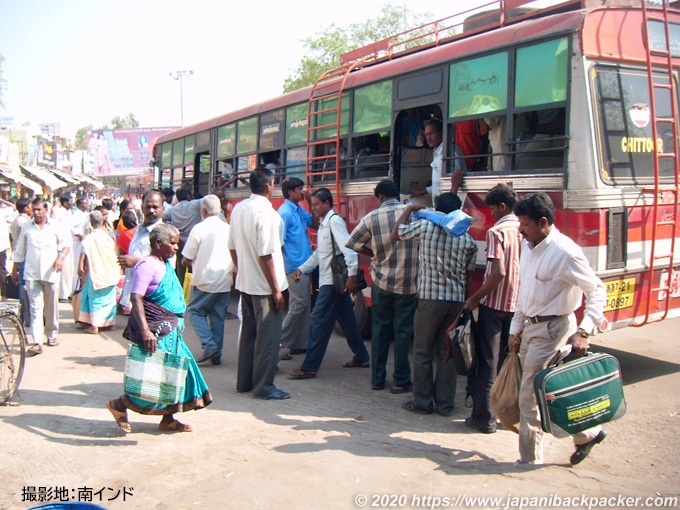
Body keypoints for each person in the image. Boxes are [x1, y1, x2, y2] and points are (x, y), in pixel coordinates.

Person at [509, 192, 607, 466]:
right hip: (530, 329)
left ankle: (529, 460)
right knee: (550, 392)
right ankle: (589, 433)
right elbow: (524, 293)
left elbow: (597, 290)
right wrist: (515, 330)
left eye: (525, 224)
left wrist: (585, 331)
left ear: (543, 222)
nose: (520, 230)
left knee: (529, 394)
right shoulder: (528, 248)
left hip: (553, 330)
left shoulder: (566, 252)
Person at [106, 223, 212, 434]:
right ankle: (120, 405)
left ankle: (168, 418)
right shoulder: (147, 265)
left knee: (172, 373)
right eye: (172, 243)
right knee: (153, 376)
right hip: (157, 330)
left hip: (170, 330)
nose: (176, 248)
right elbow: (136, 297)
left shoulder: (164, 263)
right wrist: (145, 331)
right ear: (158, 244)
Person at [391, 193, 478, 416]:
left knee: (422, 351)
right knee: (447, 353)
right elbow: (468, 276)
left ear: (437, 210)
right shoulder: (467, 239)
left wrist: (409, 210)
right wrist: (466, 304)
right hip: (456, 301)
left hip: (430, 299)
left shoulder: (426, 227)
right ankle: (445, 404)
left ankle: (422, 401)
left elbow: (396, 234)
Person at [289, 188, 371, 380]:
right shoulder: (325, 223)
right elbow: (320, 254)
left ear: (327, 204)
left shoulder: (334, 222)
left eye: (318, 204)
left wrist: (352, 275)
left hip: (333, 281)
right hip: (330, 280)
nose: (315, 208)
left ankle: (309, 366)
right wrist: (302, 268)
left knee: (317, 321)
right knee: (348, 321)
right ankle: (361, 356)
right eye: (313, 204)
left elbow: (349, 249)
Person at [346, 179, 418, 393]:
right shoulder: (413, 213)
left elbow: (352, 243)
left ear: (379, 197)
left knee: (380, 330)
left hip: (382, 282)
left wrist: (373, 254)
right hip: (409, 283)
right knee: (403, 331)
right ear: (397, 194)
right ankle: (401, 380)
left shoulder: (372, 217)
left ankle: (377, 379)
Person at [462, 184, 521, 433]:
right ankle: (508, 414)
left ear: (503, 206)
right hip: (518, 306)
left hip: (494, 305)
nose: (492, 213)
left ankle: (484, 418)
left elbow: (498, 273)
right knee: (510, 362)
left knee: (488, 362)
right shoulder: (524, 229)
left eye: (494, 208)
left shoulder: (497, 232)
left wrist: (476, 298)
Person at [228, 168, 291, 400]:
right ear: (269, 186)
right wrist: (276, 290)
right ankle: (264, 387)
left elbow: (232, 247)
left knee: (249, 335)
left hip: (246, 283)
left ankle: (244, 382)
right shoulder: (268, 214)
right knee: (268, 339)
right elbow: (267, 255)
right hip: (265, 286)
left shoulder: (239, 209)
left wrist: (242, 271)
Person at [11, 197, 70, 356]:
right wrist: (15, 269)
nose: (36, 213)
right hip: (31, 273)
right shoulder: (27, 227)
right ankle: (37, 341)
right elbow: (19, 250)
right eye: (34, 209)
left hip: (51, 273)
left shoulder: (55, 226)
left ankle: (51, 335)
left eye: (39, 209)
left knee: (51, 307)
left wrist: (60, 257)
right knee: (35, 308)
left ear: (47, 210)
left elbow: (66, 244)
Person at [182, 195, 233, 366]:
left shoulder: (199, 229)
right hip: (224, 280)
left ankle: (209, 344)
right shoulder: (228, 228)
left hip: (204, 280)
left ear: (203, 211)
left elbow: (187, 257)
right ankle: (216, 355)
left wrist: (186, 262)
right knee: (218, 318)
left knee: (194, 311)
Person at [277, 177, 317, 359]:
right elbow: (279, 243)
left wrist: (311, 203)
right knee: (299, 304)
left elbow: (315, 223)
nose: (303, 191)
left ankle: (298, 343)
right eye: (300, 189)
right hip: (294, 266)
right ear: (291, 192)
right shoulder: (285, 213)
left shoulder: (298, 210)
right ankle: (279, 341)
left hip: (304, 264)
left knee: (303, 304)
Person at [118, 191, 166, 315]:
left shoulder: (165, 234)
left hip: (152, 299)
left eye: (155, 207)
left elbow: (167, 268)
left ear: (163, 209)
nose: (151, 211)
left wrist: (136, 261)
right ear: (142, 208)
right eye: (148, 207)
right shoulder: (138, 231)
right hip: (135, 296)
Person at [77, 211, 120, 334]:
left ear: (91, 222)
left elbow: (86, 255)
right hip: (111, 270)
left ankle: (94, 325)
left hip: (97, 270)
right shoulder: (109, 235)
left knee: (95, 298)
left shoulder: (90, 238)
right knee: (110, 298)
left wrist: (83, 270)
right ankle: (110, 323)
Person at [411, 119, 463, 206]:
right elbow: (439, 184)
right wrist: (424, 191)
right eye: (426, 134)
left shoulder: (450, 152)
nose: (428, 138)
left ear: (442, 133)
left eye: (432, 133)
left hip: (450, 208)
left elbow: (456, 182)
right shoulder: (437, 152)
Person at [163, 188, 202, 287]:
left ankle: (182, 288)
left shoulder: (173, 209)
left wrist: (173, 228)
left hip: (180, 242)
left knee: (181, 269)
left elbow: (163, 218)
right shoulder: (194, 205)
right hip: (194, 242)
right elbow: (210, 198)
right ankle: (193, 288)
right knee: (195, 267)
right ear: (189, 196)